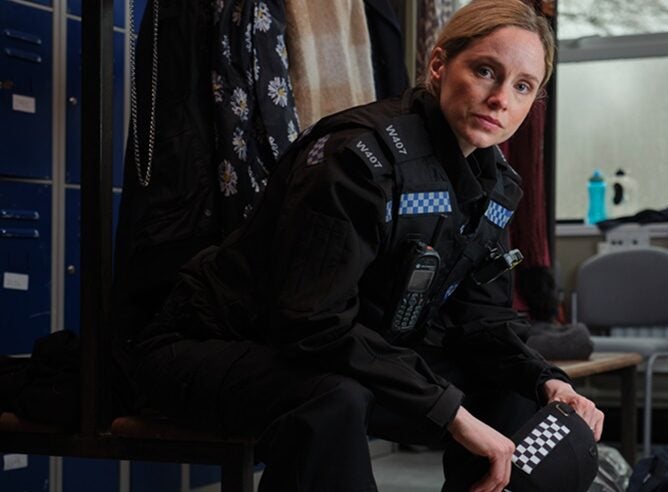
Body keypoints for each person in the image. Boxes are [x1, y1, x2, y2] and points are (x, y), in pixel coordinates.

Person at [124, 1, 604, 490]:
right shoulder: (358, 156)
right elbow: (313, 323)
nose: (501, 98)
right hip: (213, 346)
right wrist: (452, 413)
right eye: (485, 71)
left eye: (522, 86)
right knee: (334, 398)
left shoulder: (496, 185)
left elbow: (482, 319)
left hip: (339, 352)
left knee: (513, 392)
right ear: (439, 66)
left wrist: (544, 377)